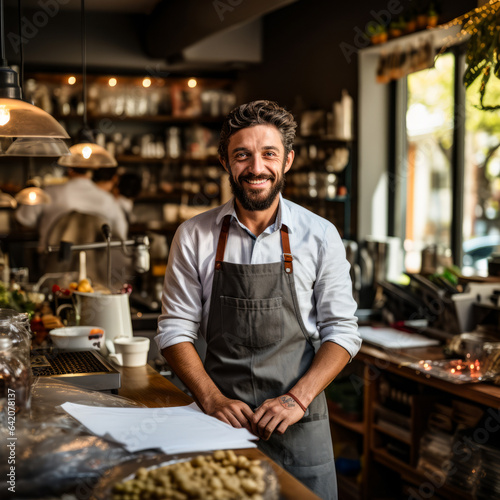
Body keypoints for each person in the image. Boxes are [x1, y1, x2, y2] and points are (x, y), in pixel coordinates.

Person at [155, 100, 361, 500]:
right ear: (225, 162)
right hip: (219, 422)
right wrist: (212, 399)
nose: (256, 167)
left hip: (299, 423)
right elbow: (174, 329)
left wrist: (296, 399)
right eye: (242, 155)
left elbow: (343, 331)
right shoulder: (194, 235)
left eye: (269, 154)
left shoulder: (319, 235)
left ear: (287, 161)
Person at [16, 166, 128, 251]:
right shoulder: (107, 199)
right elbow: (121, 234)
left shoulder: (50, 192)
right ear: (91, 171)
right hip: (96, 263)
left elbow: (25, 219)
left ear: (69, 169)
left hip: (53, 259)